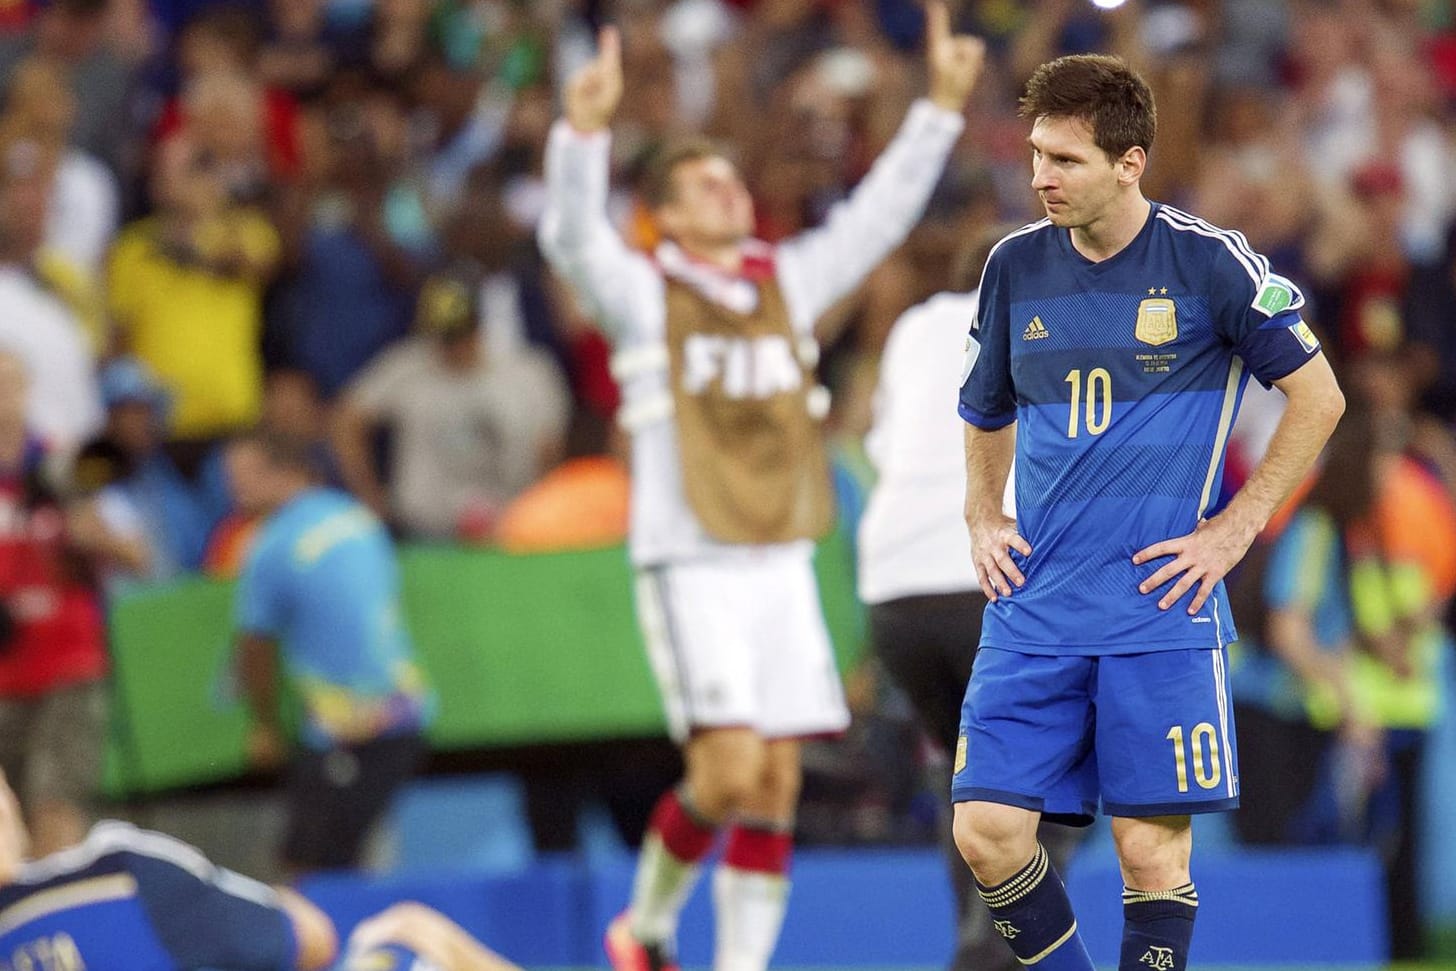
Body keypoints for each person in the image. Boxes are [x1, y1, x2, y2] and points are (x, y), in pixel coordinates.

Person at [538, 6, 984, 971]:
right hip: (690, 555)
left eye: (732, 179)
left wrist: (940, 109)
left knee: (777, 780)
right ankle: (646, 925)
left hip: (778, 553)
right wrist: (580, 137)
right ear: (665, 213)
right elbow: (570, 236)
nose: (729, 193)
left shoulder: (786, 281)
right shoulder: (645, 295)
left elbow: (876, 221)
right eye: (703, 185)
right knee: (730, 769)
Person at [954, 55, 1346, 971]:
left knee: (1149, 852)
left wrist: (1234, 527)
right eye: (1037, 154)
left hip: (1157, 606)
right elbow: (983, 407)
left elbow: (1320, 396)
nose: (1043, 177)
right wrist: (982, 513)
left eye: (1068, 160)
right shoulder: (1013, 265)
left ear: (1131, 163)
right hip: (1035, 601)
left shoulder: (1210, 263)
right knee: (987, 831)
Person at [858, 231, 1083, 971]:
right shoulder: (1046, 316)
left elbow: (886, 444)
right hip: (993, 571)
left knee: (969, 774)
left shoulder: (913, 328)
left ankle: (972, 932)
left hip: (894, 585)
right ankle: (996, 946)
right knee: (1062, 768)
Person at [230, 430, 434, 875]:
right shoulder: (359, 517)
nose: (235, 488)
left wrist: (261, 725)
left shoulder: (269, 546)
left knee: (304, 865)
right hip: (406, 710)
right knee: (340, 858)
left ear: (287, 472)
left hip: (346, 729)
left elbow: (254, 645)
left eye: (247, 475)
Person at [331, 266, 570, 540]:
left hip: (511, 533)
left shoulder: (527, 370)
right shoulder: (408, 365)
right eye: (443, 336)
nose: (451, 347)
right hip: (426, 533)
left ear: (478, 324)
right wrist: (369, 498)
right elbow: (345, 419)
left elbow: (550, 451)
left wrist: (541, 514)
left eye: (460, 334)